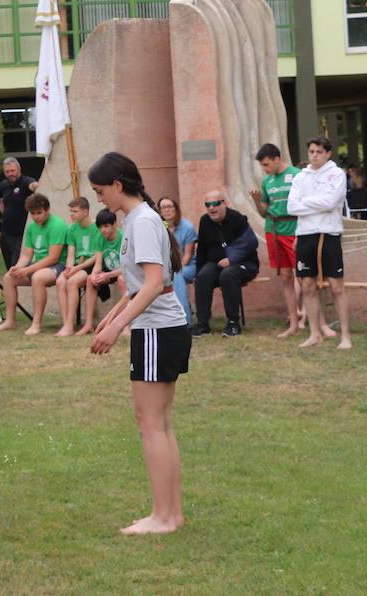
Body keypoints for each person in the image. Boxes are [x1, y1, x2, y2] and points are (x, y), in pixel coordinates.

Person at [87, 151, 189, 535]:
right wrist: (110, 320)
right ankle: (170, 513)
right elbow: (144, 287)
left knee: (152, 425)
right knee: (158, 424)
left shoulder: (142, 222)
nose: (99, 199)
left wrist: (118, 329)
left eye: (100, 191)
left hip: (157, 332)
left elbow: (152, 284)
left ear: (117, 185)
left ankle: (163, 517)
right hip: (160, 329)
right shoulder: (140, 220)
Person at [288, 136, 350, 349]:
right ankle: (314, 333)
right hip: (305, 234)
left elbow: (331, 202)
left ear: (328, 154)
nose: (314, 155)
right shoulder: (300, 177)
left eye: (319, 152)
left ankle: (345, 337)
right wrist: (317, 203)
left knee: (336, 286)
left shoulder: (336, 174)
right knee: (307, 285)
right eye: (311, 151)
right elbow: (292, 207)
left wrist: (306, 203)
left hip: (328, 232)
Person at [190, 191, 260, 337]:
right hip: (216, 263)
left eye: (215, 204)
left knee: (228, 275)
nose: (211, 208)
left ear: (225, 203)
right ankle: (203, 324)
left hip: (244, 263)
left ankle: (233, 323)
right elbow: (202, 248)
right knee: (202, 277)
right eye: (207, 205)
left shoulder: (237, 219)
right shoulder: (205, 221)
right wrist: (198, 272)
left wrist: (232, 259)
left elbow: (250, 243)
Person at [250, 144, 302, 337]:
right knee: (286, 276)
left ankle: (311, 320)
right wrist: (256, 201)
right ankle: (293, 323)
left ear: (277, 158)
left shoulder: (297, 175)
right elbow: (264, 211)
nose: (265, 169)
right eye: (262, 166)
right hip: (273, 229)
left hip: (294, 229)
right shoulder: (267, 181)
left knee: (304, 276)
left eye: (266, 164)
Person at [0, 192, 67, 335]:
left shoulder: (57, 225)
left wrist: (28, 270)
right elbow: (26, 254)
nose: (36, 217)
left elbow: (53, 258)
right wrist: (18, 267)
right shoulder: (31, 227)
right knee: (8, 278)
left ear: (47, 210)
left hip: (60, 265)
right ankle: (10, 320)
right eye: (33, 213)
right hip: (39, 264)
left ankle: (36, 324)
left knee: (38, 278)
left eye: (39, 213)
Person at [54, 197, 99, 337]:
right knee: (61, 281)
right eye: (70, 211)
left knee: (72, 282)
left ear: (85, 212)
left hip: (91, 264)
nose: (71, 214)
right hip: (77, 265)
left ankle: (69, 326)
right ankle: (67, 323)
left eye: (75, 211)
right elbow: (71, 253)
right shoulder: (72, 228)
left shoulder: (97, 227)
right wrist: (69, 267)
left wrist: (76, 269)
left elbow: (97, 256)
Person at [83, 209, 124, 335]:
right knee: (90, 279)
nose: (102, 230)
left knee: (122, 279)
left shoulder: (123, 238)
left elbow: (127, 268)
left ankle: (126, 326)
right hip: (108, 271)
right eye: (100, 227)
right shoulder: (99, 238)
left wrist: (107, 275)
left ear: (114, 224)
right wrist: (96, 275)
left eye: (106, 226)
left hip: (123, 271)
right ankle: (89, 324)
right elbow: (98, 263)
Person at [158, 198, 197, 328]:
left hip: (188, 266)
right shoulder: (158, 228)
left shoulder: (187, 227)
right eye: (163, 207)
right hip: (165, 269)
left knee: (177, 275)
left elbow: (187, 255)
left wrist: (174, 269)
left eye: (170, 206)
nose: (167, 210)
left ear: (176, 209)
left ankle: (185, 321)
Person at [0, 157, 38, 273]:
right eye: (7, 172)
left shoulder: (25, 182)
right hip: (5, 233)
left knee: (17, 266)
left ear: (19, 169)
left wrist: (35, 186)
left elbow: (33, 185)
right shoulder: (2, 185)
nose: (10, 174)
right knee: (8, 267)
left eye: (12, 171)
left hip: (20, 234)